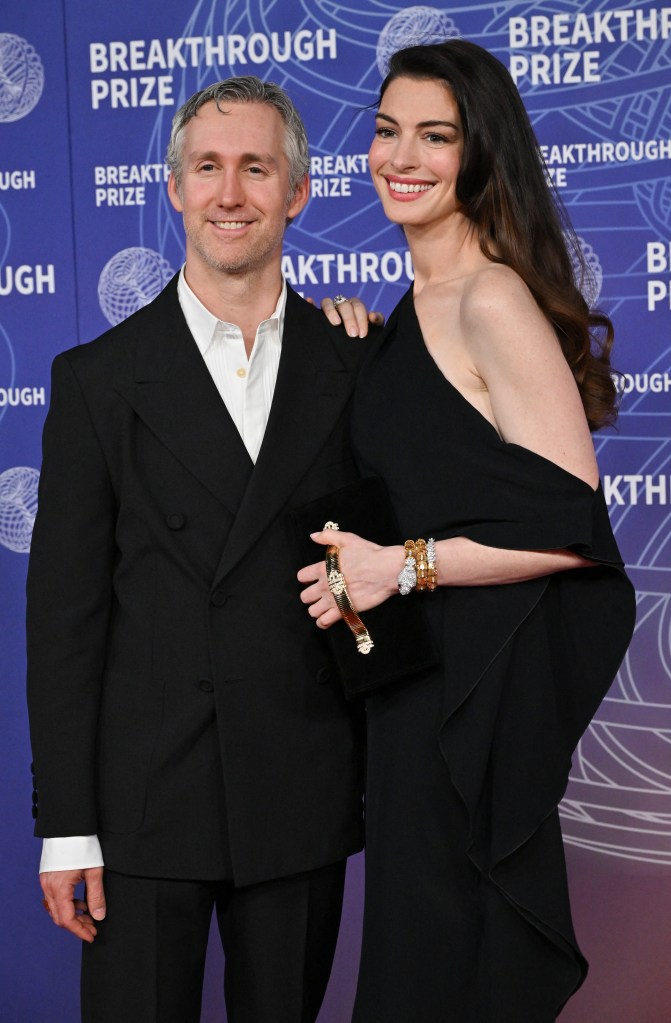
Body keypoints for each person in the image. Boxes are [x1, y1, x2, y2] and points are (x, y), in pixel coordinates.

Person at [26, 75, 376, 1023]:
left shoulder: (358, 362)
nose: (230, 193)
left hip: (298, 790)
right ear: (174, 187)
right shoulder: (97, 381)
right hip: (143, 804)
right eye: (208, 167)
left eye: (255, 168)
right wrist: (67, 827)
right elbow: (63, 625)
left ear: (297, 192)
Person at [299, 40, 636, 1022]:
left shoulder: (490, 296)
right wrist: (364, 356)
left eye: (434, 136)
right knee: (420, 968)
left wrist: (399, 568)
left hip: (467, 707)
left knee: (447, 971)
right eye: (386, 130)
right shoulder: (416, 306)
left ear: (479, 153)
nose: (399, 157)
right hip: (414, 697)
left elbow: (573, 531)